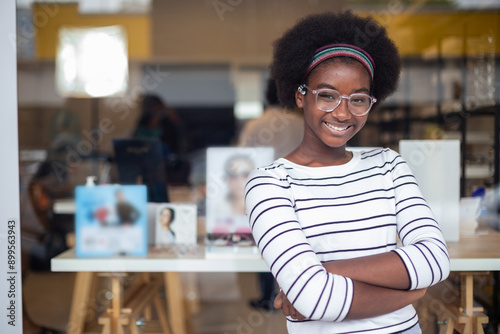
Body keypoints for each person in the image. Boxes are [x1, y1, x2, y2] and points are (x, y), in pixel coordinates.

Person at [244, 11, 450, 334]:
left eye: (358, 99)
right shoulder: (269, 184)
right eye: (327, 95)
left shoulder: (389, 165)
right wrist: (412, 291)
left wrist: (323, 272)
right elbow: (313, 298)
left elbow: (435, 259)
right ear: (301, 95)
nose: (342, 112)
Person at [239, 78, 304, 311]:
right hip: (300, 192)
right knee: (297, 244)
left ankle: (267, 297)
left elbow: (242, 161)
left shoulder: (256, 125)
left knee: (265, 245)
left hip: (265, 193)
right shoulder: (301, 123)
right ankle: (297, 296)